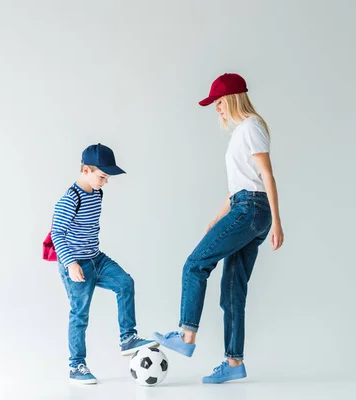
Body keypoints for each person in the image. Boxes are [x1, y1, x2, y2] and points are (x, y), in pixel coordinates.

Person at [153, 73, 284, 384]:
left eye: (219, 102)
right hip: (247, 208)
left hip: (251, 209)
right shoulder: (243, 131)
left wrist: (277, 221)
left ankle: (186, 336)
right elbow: (241, 185)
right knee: (232, 292)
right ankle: (234, 361)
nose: (216, 109)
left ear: (233, 98)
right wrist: (217, 217)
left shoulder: (251, 127)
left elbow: (266, 176)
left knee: (195, 264)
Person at [52, 143, 157, 384]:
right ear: (86, 170)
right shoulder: (70, 199)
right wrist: (70, 264)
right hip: (76, 263)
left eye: (107, 177)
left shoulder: (97, 192)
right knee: (80, 315)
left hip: (96, 258)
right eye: (102, 176)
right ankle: (76, 366)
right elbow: (57, 233)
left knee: (125, 283)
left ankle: (127, 337)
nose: (105, 181)